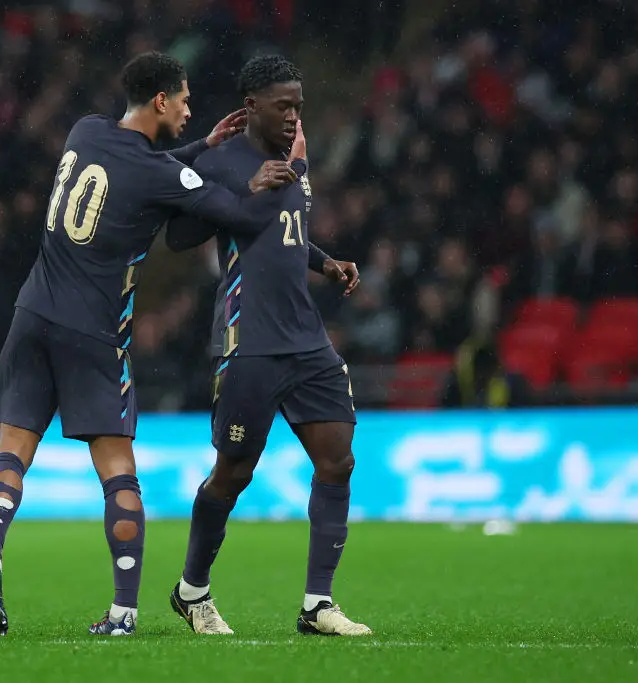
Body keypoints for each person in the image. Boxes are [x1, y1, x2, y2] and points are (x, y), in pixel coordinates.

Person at [0, 51, 307, 638]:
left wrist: (200, 147)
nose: (187, 108)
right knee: (118, 471)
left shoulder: (86, 131)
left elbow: (137, 168)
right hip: (95, 333)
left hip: (32, 315)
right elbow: (232, 213)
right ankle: (125, 610)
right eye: (182, 99)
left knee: (11, 452)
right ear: (160, 100)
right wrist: (267, 181)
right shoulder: (161, 174)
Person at [164, 54, 372, 636]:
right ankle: (192, 591)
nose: (294, 118)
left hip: (307, 340)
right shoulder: (220, 161)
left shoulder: (294, 163)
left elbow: (287, 234)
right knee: (234, 471)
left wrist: (325, 262)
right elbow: (180, 236)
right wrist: (244, 194)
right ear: (251, 106)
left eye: (299, 108)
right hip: (248, 340)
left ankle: (317, 605)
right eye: (285, 107)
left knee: (338, 459)